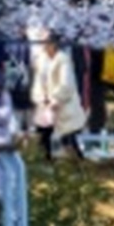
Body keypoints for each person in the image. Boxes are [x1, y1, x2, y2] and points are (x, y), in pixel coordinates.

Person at [28, 26, 87, 159]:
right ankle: (44, 160)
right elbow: (38, 82)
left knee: (68, 136)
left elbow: (67, 83)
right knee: (43, 135)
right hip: (46, 104)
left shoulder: (63, 59)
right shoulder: (41, 59)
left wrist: (56, 98)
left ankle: (76, 162)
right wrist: (40, 98)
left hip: (63, 103)